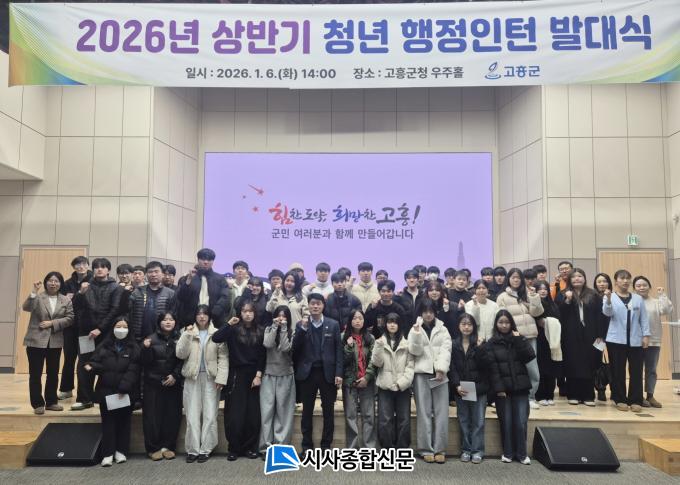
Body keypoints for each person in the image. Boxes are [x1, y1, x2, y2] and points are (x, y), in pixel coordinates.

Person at [212, 300, 266, 461]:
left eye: (250, 311)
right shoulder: (233, 329)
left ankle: (249, 448)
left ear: (255, 313)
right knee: (234, 414)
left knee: (252, 414)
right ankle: (234, 448)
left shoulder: (261, 330)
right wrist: (228, 324)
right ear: (240, 313)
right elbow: (216, 338)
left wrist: (258, 375)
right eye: (244, 311)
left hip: (254, 375)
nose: (247, 314)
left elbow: (263, 355)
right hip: (236, 374)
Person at [84, 318, 140, 467]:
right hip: (106, 390)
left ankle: (121, 451)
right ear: (113, 328)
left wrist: (124, 387)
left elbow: (134, 369)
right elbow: (96, 361)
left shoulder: (134, 347)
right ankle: (107, 453)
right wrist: (91, 366)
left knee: (124, 422)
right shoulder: (104, 345)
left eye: (124, 327)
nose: (121, 329)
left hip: (125, 393)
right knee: (108, 423)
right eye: (118, 326)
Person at [176, 305, 228, 463]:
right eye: (199, 314)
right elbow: (180, 354)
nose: (202, 317)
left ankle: (206, 449)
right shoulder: (188, 332)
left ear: (209, 316)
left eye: (205, 314)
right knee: (192, 415)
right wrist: (187, 335)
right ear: (195, 316)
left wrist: (221, 378)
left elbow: (223, 357)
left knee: (210, 415)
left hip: (211, 379)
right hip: (192, 378)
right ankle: (193, 450)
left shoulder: (217, 333)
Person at [292, 293, 343, 454]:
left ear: (323, 305)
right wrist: (302, 329)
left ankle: (326, 446)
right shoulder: (301, 325)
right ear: (308, 305)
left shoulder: (333, 324)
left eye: (318, 303)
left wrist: (339, 373)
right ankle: (306, 446)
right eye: (312, 303)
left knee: (328, 411)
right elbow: (295, 349)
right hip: (307, 374)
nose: (315, 306)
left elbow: (338, 351)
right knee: (307, 411)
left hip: (327, 373)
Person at [483, 310, 535, 465]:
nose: (504, 325)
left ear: (511, 323)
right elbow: (492, 369)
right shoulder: (491, 343)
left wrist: (518, 340)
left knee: (521, 422)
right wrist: (499, 389)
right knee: (506, 422)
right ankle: (508, 453)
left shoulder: (519, 338)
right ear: (496, 324)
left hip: (521, 387)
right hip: (502, 390)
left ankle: (522, 454)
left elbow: (529, 356)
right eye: (501, 322)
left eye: (507, 322)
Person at [71, 257, 124, 411]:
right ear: (92, 270)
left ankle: (103, 397)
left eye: (103, 267)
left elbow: (115, 310)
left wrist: (100, 328)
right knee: (84, 364)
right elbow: (75, 307)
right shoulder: (86, 286)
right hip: (86, 333)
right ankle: (84, 399)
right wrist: (80, 293)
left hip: (106, 333)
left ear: (108, 270)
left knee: (107, 365)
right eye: (96, 267)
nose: (99, 269)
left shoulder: (116, 287)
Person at [22, 272, 74, 414]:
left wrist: (52, 323)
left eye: (56, 281)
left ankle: (51, 402)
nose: (53, 283)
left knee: (53, 374)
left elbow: (70, 318)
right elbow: (26, 307)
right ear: (45, 283)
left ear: (60, 284)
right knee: (35, 374)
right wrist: (34, 291)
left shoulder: (65, 300)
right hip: (35, 341)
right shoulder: (38, 297)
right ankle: (37, 404)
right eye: (50, 281)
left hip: (55, 342)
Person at [408, 299, 452, 464]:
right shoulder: (415, 328)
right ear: (421, 312)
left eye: (431, 311)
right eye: (425, 311)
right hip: (421, 374)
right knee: (423, 412)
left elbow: (446, 350)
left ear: (435, 312)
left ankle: (440, 449)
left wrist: (441, 369)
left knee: (442, 413)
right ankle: (426, 449)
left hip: (440, 375)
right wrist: (416, 334)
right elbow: (414, 351)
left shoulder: (443, 329)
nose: (428, 314)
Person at [557, 269, 607, 406]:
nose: (577, 279)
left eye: (580, 276)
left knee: (589, 363)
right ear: (569, 279)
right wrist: (567, 300)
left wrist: (600, 335)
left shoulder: (593, 294)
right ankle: (573, 394)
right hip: (570, 334)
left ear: (584, 278)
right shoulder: (563, 294)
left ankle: (588, 395)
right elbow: (559, 314)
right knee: (572, 363)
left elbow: (600, 315)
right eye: (573, 277)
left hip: (590, 334)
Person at [603, 269, 650, 412]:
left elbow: (643, 318)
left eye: (627, 278)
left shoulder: (637, 298)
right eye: (622, 278)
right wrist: (608, 299)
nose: (625, 281)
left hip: (635, 339)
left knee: (636, 370)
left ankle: (635, 400)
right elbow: (607, 313)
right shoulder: (610, 296)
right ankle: (619, 399)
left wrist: (646, 336)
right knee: (617, 370)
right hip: (616, 340)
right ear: (616, 281)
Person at [495, 268, 543, 410]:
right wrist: (510, 333)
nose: (516, 280)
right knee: (514, 369)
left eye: (518, 277)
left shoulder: (528, 293)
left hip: (530, 337)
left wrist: (534, 297)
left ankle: (531, 397)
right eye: (513, 277)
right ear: (508, 279)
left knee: (533, 369)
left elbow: (537, 313)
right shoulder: (502, 297)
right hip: (513, 338)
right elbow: (501, 318)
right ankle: (516, 396)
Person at [141, 312, 183, 461]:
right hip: (153, 385)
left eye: (171, 319)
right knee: (152, 417)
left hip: (173, 383)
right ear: (159, 322)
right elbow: (145, 363)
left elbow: (183, 361)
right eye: (165, 320)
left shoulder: (180, 338)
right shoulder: (150, 339)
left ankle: (168, 447)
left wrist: (175, 376)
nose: (168, 322)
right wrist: (145, 349)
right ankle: (153, 448)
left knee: (172, 416)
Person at [370, 313, 414, 449]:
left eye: (395, 322)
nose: (392, 325)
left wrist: (402, 383)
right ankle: (386, 448)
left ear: (399, 325)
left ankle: (402, 449)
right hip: (385, 386)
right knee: (385, 419)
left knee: (404, 419)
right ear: (385, 324)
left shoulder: (407, 344)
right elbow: (377, 363)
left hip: (403, 387)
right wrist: (378, 347)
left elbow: (411, 366)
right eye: (389, 322)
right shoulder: (380, 342)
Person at [450, 313, 488, 464]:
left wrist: (480, 348)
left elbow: (486, 365)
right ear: (458, 326)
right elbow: (452, 367)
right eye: (463, 324)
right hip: (462, 387)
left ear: (474, 327)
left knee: (478, 421)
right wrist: (456, 385)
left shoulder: (480, 342)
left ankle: (477, 451)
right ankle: (466, 449)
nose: (466, 327)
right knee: (464, 420)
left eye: (469, 324)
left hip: (478, 387)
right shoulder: (454, 344)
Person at [258, 305, 296, 456]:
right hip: (268, 374)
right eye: (279, 315)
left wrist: (284, 329)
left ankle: (280, 446)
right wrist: (274, 326)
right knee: (266, 411)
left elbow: (286, 348)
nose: (281, 318)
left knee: (284, 412)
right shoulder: (268, 329)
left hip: (286, 375)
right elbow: (267, 344)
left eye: (284, 316)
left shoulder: (292, 332)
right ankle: (265, 447)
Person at [633, 276, 673, 408]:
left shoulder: (656, 302)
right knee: (636, 370)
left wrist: (662, 295)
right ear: (634, 288)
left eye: (644, 285)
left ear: (649, 287)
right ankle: (638, 396)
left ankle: (650, 395)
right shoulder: (632, 301)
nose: (641, 287)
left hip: (653, 340)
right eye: (638, 285)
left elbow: (667, 310)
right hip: (636, 341)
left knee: (651, 369)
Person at [342, 309, 377, 449]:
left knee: (369, 415)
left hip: (367, 381)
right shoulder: (343, 337)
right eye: (355, 318)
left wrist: (367, 378)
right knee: (350, 416)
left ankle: (369, 448)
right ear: (350, 320)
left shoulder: (370, 338)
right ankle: (352, 448)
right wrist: (349, 348)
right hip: (350, 382)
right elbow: (341, 361)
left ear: (364, 321)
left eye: (360, 318)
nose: (357, 321)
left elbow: (374, 360)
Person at [58, 257, 91, 400]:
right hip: (70, 327)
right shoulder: (67, 283)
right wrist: (67, 299)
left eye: (83, 264)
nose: (81, 266)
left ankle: (86, 392)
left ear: (88, 265)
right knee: (69, 358)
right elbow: (61, 303)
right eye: (77, 264)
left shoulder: (94, 281)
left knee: (86, 359)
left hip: (87, 327)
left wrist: (74, 297)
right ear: (73, 267)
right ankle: (66, 389)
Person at [176, 248, 231, 327]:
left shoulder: (220, 279)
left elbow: (225, 297)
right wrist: (188, 281)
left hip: (214, 319)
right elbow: (181, 297)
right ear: (198, 260)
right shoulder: (189, 277)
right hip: (191, 320)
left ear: (213, 261)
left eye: (209, 260)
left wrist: (215, 311)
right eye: (203, 259)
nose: (206, 262)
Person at [128, 261, 176, 343]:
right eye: (150, 272)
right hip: (138, 337)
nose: (153, 274)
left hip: (162, 338)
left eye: (156, 271)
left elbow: (174, 316)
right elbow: (129, 312)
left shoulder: (170, 293)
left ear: (162, 274)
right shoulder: (137, 292)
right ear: (146, 274)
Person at [533, 281, 562, 406]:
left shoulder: (553, 304)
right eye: (540, 289)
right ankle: (540, 395)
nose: (543, 291)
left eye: (545, 289)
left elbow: (558, 320)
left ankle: (550, 395)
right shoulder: (535, 305)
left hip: (552, 340)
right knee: (540, 367)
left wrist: (549, 322)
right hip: (539, 339)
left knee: (551, 368)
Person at [592, 272, 613, 401]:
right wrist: (598, 334)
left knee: (615, 363)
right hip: (597, 336)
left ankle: (615, 390)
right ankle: (600, 390)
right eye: (599, 282)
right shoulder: (592, 297)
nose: (602, 284)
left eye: (604, 281)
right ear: (595, 284)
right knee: (597, 363)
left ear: (609, 283)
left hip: (613, 335)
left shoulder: (614, 296)